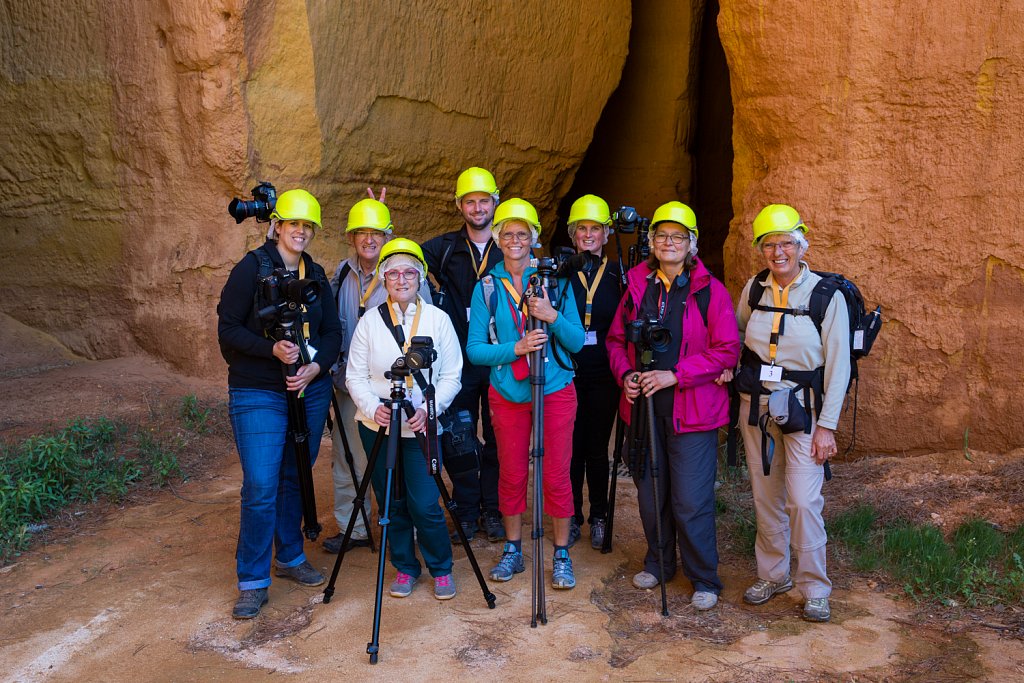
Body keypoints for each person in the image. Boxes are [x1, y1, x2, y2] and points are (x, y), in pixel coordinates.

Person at [606, 201, 740, 611]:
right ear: (652, 242)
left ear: (691, 244)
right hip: (643, 412)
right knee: (650, 493)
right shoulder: (636, 285)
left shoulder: (708, 291)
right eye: (662, 236)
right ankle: (660, 562)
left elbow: (727, 350)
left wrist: (676, 375)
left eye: (678, 237)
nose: (669, 243)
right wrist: (626, 374)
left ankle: (703, 577)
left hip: (693, 411)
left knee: (689, 499)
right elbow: (615, 342)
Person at [217, 188, 342, 619]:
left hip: (306, 387)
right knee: (262, 483)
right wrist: (270, 351)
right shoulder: (250, 270)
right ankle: (252, 579)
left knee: (294, 474)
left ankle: (289, 557)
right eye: (295, 224)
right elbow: (228, 331)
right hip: (259, 390)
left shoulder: (317, 273)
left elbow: (332, 333)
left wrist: (317, 367)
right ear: (277, 226)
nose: (301, 232)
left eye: (308, 226)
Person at [733, 204, 850, 623]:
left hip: (804, 409)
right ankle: (774, 574)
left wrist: (828, 427)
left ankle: (815, 586)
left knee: (802, 501)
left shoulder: (825, 295)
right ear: (761, 250)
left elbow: (839, 366)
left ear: (802, 245)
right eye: (769, 244)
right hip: (757, 406)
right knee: (766, 497)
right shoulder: (754, 289)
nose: (777, 252)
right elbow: (739, 336)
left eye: (785, 243)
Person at [465, 198, 586, 589]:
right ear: (498, 239)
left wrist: (551, 316)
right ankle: (514, 550)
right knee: (513, 473)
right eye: (508, 234)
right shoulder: (486, 287)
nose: (515, 240)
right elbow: (475, 349)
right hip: (509, 392)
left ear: (534, 239)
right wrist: (515, 349)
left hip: (555, 389)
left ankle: (561, 553)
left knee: (556, 473)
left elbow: (577, 341)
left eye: (523, 234)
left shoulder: (557, 282)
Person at [346, 238, 463, 600]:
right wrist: (371, 408)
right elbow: (355, 376)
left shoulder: (438, 319)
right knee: (391, 500)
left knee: (425, 502)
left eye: (409, 272)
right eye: (393, 273)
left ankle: (440, 567)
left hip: (422, 423)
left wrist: (431, 409)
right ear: (383, 278)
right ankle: (405, 566)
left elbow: (452, 375)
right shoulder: (369, 321)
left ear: (421, 277)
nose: (401, 279)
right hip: (379, 424)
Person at [324, 195, 430, 554]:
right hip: (349, 385)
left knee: (396, 461)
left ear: (388, 236)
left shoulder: (402, 271)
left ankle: (402, 531)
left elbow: (426, 325)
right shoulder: (341, 274)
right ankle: (352, 529)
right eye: (362, 233)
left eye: (377, 233)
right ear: (351, 237)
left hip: (396, 386)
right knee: (348, 459)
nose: (369, 240)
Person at [421, 167, 505, 542]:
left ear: (495, 202)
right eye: (469, 201)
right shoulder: (443, 249)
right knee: (459, 437)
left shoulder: (510, 248)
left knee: (502, 436)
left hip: (502, 358)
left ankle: (496, 509)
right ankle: (467, 511)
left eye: (483, 200)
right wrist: (384, 232)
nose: (477, 208)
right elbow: (402, 264)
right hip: (459, 360)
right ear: (459, 205)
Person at [565, 195, 623, 549]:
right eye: (582, 228)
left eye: (595, 229)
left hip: (604, 373)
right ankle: (572, 516)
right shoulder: (562, 271)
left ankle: (600, 515)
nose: (588, 235)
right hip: (568, 371)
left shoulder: (619, 274)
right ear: (573, 234)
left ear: (605, 234)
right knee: (570, 449)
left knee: (598, 449)